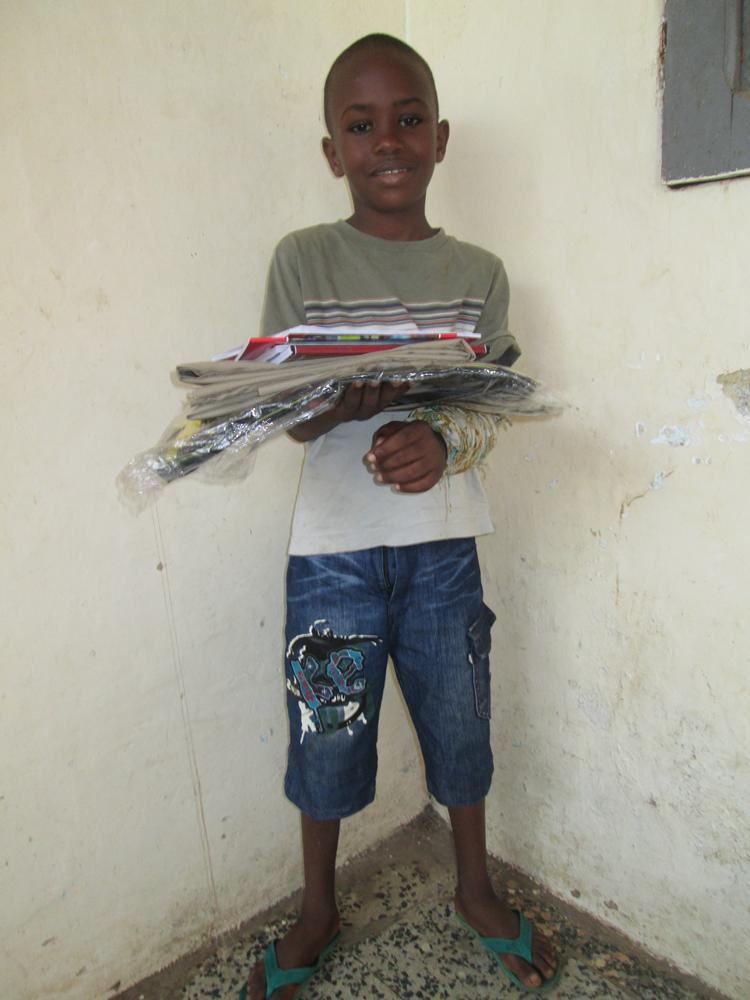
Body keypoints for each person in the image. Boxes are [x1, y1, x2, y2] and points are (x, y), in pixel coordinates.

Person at [241, 33, 560, 1000]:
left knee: (462, 723)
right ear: (332, 150)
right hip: (331, 556)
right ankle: (318, 908)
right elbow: (285, 416)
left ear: (441, 137)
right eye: (361, 124)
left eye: (409, 119)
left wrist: (441, 438)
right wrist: (330, 405)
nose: (388, 140)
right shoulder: (302, 259)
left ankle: (473, 888)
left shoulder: (481, 272)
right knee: (326, 732)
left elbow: (490, 406)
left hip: (444, 549)